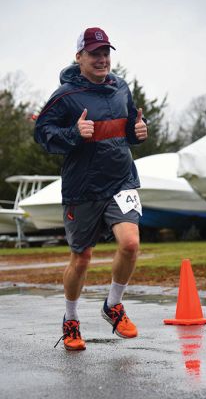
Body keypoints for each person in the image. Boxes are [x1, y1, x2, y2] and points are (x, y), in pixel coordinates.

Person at [34, 27, 148, 351]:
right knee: (82, 258)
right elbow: (43, 134)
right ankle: (70, 319)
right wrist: (72, 132)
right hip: (82, 188)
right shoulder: (65, 96)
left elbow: (127, 129)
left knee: (130, 243)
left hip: (120, 180)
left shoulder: (121, 88)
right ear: (79, 57)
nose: (102, 59)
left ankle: (113, 305)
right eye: (95, 53)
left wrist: (138, 131)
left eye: (105, 53)